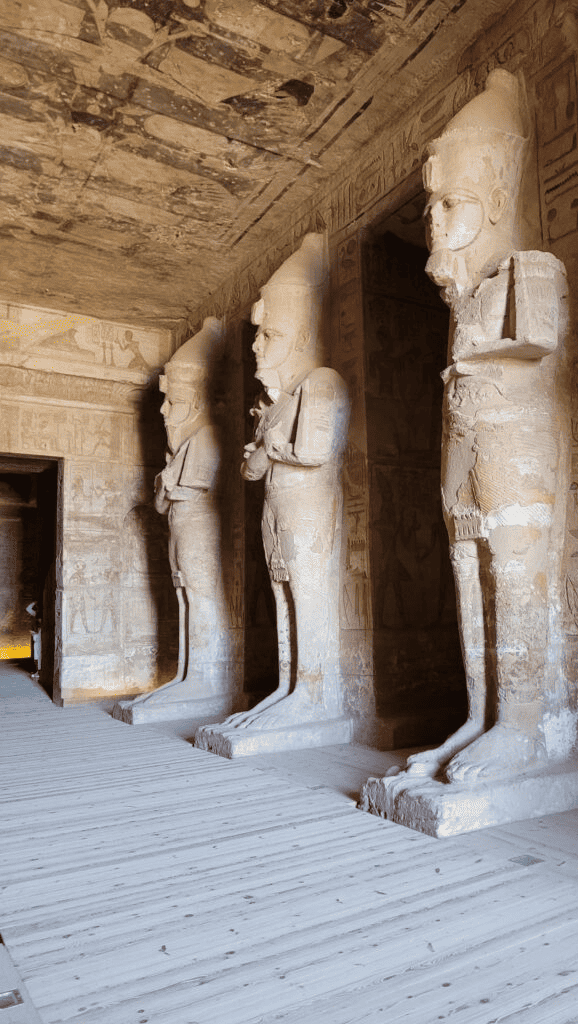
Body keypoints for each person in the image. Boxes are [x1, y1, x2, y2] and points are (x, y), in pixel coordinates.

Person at [406, 69, 568, 783]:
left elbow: (540, 339)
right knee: (465, 570)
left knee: (512, 570)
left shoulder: (528, 267)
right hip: (465, 437)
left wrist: (474, 353)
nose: (437, 224)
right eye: (431, 210)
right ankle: (479, 717)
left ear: (499, 200)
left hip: (514, 437)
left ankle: (523, 725)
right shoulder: (464, 295)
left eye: (454, 205)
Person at [220, 233, 350, 731]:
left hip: (309, 513)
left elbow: (314, 452)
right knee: (281, 594)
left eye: (267, 335)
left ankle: (314, 693)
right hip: (277, 511)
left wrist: (269, 448)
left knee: (309, 596)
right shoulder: (276, 404)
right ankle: (288, 688)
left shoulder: (320, 384)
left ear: (297, 337)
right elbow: (250, 470)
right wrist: (264, 452)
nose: (256, 345)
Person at [124, 317, 231, 709]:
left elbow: (185, 488)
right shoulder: (182, 448)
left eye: (175, 402)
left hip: (198, 527)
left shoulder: (204, 438)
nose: (166, 412)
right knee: (182, 595)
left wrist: (168, 484)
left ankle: (203, 675)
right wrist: (168, 486)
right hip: (179, 526)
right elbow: (160, 501)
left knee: (199, 597)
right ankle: (186, 674)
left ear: (198, 403)